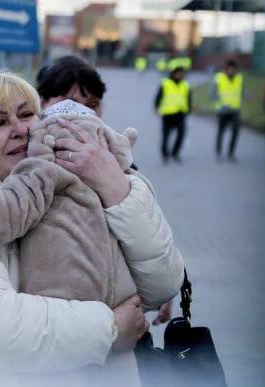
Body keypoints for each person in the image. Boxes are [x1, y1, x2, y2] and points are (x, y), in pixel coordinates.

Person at [0, 69, 184, 387]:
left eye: (27, 115)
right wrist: (108, 329)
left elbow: (162, 285)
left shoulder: (76, 182)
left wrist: (114, 187)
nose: (19, 129)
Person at [0, 99, 140, 309]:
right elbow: (16, 203)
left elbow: (16, 203)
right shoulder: (54, 170)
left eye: (26, 115)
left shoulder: (51, 169)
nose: (20, 130)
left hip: (85, 297)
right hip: (82, 299)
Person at [36, 55, 174, 325]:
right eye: (71, 102)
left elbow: (150, 233)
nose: (84, 112)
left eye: (93, 105)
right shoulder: (26, 161)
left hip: (117, 310)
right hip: (50, 314)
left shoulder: (120, 160)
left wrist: (163, 285)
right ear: (42, 103)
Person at [154, 66, 191, 164]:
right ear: (173, 73)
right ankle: (165, 154)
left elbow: (188, 98)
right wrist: (156, 107)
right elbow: (159, 96)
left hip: (180, 113)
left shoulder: (185, 85)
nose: (180, 75)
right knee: (166, 136)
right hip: (168, 114)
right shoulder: (165, 83)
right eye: (178, 73)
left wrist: (188, 110)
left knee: (181, 135)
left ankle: (175, 153)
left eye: (182, 73)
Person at [213, 60, 243, 162]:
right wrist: (220, 102)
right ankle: (219, 152)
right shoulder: (219, 78)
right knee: (221, 132)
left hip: (235, 110)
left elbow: (240, 91)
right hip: (222, 111)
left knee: (236, 131)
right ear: (226, 69)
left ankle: (231, 153)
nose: (231, 71)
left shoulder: (239, 78)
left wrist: (246, 95)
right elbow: (212, 93)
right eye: (229, 69)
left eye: (233, 69)